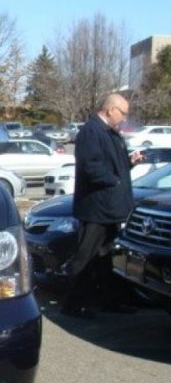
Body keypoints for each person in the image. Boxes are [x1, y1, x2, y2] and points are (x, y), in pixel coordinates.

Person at [61, 93, 144, 319]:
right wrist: (113, 181)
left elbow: (112, 165)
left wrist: (129, 162)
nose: (124, 118)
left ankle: (108, 300)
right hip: (96, 208)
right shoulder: (91, 131)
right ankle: (73, 305)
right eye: (123, 113)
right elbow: (90, 166)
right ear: (110, 110)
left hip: (110, 208)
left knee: (105, 258)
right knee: (85, 257)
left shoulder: (110, 133)